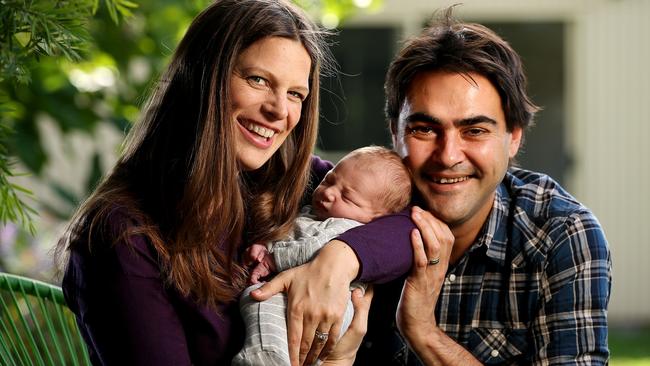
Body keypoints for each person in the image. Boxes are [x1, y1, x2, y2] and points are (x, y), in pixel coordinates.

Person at [54, 1, 378, 365]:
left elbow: (402, 219)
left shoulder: (286, 181)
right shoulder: (122, 234)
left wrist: (341, 259)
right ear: (203, 78)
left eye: (295, 94)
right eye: (258, 80)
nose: (279, 111)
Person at [351, 9, 613, 365]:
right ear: (395, 133)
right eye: (424, 129)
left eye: (474, 131)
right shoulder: (354, 205)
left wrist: (423, 332)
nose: (448, 156)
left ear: (514, 137)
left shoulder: (560, 235)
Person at [233, 146, 412, 365]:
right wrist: (265, 244)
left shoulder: (346, 227)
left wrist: (272, 259)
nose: (328, 192)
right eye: (329, 180)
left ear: (377, 218)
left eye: (347, 197)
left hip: (329, 305)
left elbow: (311, 247)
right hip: (303, 304)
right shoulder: (313, 212)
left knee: (259, 299)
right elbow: (290, 232)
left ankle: (263, 357)